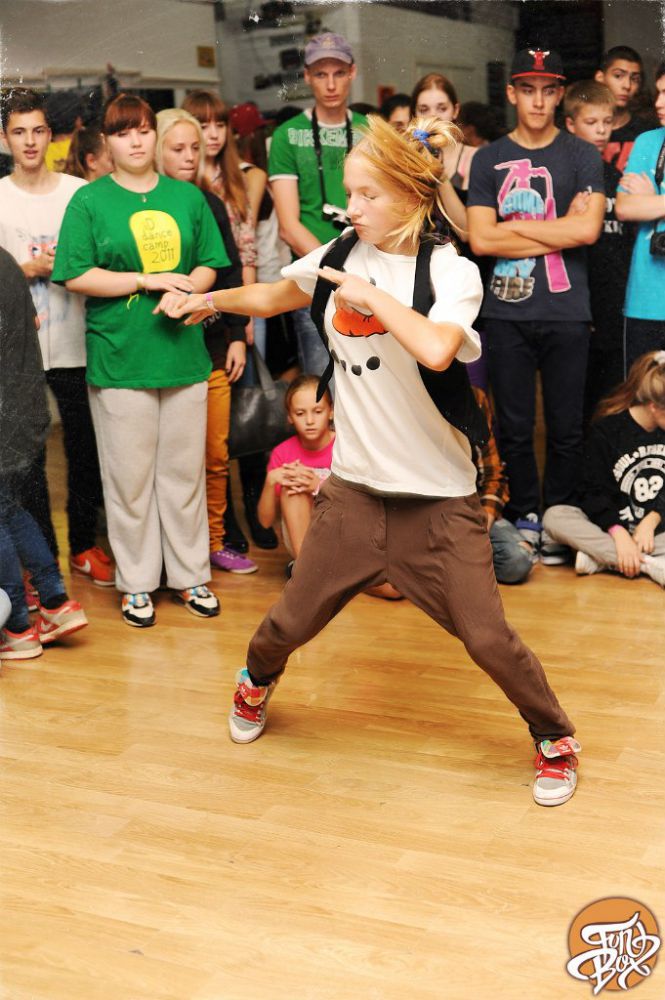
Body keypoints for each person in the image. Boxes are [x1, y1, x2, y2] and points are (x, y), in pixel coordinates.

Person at [160, 114, 581, 808]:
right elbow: (275, 294)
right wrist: (206, 300)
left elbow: (439, 350)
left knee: (486, 638)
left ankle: (554, 737)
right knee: (289, 621)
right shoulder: (341, 252)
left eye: (366, 194)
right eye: (349, 192)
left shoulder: (449, 272)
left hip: (438, 499)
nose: (349, 206)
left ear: (411, 197)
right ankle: (254, 682)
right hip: (354, 493)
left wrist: (375, 297)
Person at [52, 93, 228, 627]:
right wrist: (147, 281)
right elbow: (75, 273)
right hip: (120, 359)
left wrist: (189, 292)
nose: (135, 141)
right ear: (107, 141)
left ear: (156, 135)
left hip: (183, 356)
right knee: (129, 481)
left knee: (183, 476)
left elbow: (209, 264)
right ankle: (137, 585)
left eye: (144, 130)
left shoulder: (187, 197)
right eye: (123, 132)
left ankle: (191, 576)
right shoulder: (89, 200)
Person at [467, 48, 605, 564]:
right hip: (506, 312)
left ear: (560, 94)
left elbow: (587, 232)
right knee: (515, 425)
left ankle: (558, 516)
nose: (539, 101)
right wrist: (560, 228)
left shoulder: (582, 155)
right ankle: (525, 511)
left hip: (568, 309)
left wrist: (513, 228)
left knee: (567, 427)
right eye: (528, 90)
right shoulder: (488, 158)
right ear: (512, 94)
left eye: (548, 91)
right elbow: (481, 240)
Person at [0, 87, 112, 586]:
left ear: (52, 135)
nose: (30, 141)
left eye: (38, 131)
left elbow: (100, 257)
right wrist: (25, 269)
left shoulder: (77, 192)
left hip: (76, 342)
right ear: (5, 138)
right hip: (18, 351)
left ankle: (84, 546)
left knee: (85, 450)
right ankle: (41, 558)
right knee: (29, 460)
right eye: (19, 132)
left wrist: (64, 264)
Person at [155, 107, 257, 575]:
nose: (189, 156)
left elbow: (231, 271)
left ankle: (215, 541)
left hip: (212, 345)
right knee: (172, 460)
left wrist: (237, 335)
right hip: (158, 347)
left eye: (195, 148)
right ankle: (172, 550)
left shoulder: (210, 202)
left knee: (215, 455)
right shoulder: (142, 206)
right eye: (177, 148)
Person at [183, 90, 277, 551]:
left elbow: (247, 251)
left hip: (241, 301)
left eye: (220, 124)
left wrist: (247, 315)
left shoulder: (246, 177)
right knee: (210, 429)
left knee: (248, 414)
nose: (213, 134)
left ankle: (255, 513)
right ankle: (227, 525)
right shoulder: (182, 180)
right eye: (203, 125)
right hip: (202, 308)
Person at [0, 247, 88, 661]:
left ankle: (17, 626)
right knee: (9, 508)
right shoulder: (5, 259)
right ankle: (54, 602)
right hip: (24, 406)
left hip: (4, 411)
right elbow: (32, 321)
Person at [268, 32, 367, 377]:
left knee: (371, 384)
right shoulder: (287, 135)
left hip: (368, 275)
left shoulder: (371, 130)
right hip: (314, 279)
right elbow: (288, 226)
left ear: (352, 73)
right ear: (307, 76)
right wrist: (336, 272)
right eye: (321, 74)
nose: (331, 84)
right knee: (322, 388)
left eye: (339, 73)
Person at [543, 350, 665, 587]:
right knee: (554, 516)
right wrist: (618, 532)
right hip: (611, 528)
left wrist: (652, 520)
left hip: (655, 534)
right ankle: (649, 565)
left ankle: (600, 559)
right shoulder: (607, 431)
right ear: (654, 407)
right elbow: (592, 492)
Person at [564, 80, 635, 420]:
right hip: (576, 303)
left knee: (611, 398)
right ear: (570, 124)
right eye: (592, 123)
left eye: (607, 122)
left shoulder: (616, 177)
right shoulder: (562, 176)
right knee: (575, 402)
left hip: (613, 304)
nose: (601, 131)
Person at [615, 63, 665, 371]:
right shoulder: (648, 141)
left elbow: (640, 206)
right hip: (645, 300)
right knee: (640, 394)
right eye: (659, 92)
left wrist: (653, 199)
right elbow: (625, 207)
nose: (659, 102)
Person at [258, 375, 334, 572]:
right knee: (293, 488)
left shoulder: (345, 447)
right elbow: (265, 522)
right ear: (290, 417)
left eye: (318, 411)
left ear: (331, 411)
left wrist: (318, 486)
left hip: (343, 537)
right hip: (303, 543)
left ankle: (321, 572)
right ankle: (308, 572)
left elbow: (361, 504)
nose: (309, 421)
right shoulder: (282, 453)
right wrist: (270, 481)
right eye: (300, 413)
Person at [594, 46, 649, 173]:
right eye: (618, 76)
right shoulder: (581, 129)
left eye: (634, 79)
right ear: (600, 78)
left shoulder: (646, 132)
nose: (627, 85)